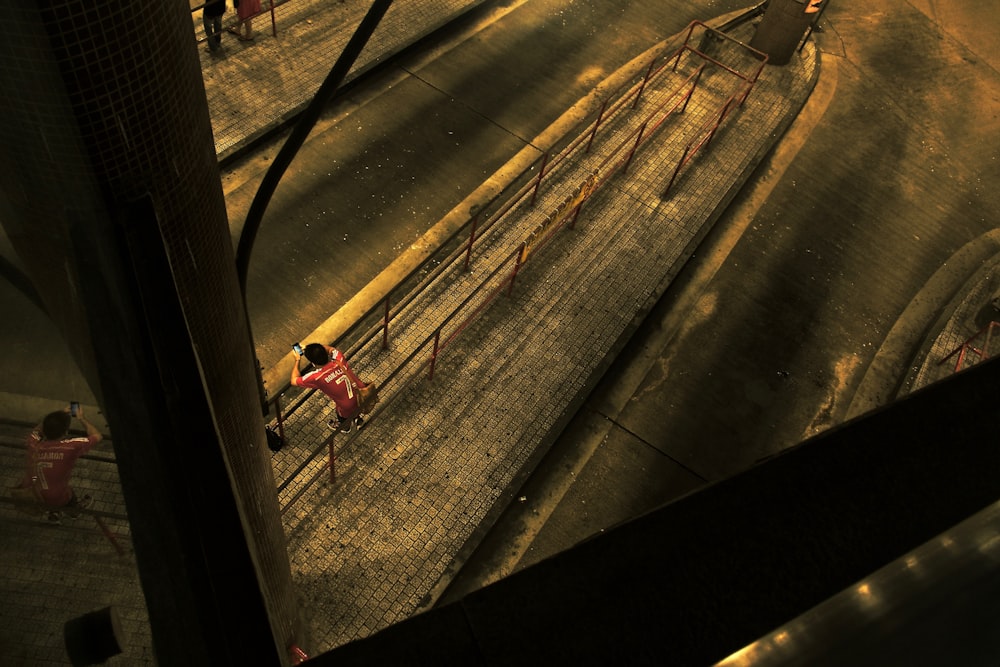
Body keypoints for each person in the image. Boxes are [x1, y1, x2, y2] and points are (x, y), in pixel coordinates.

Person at [15, 405, 103, 522]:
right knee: (67, 494)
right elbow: (97, 436)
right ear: (65, 432)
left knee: (49, 488)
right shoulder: (69, 447)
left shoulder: (33, 444)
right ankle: (74, 512)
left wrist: (58, 416)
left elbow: (36, 431)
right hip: (58, 497)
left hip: (34, 493)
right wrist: (81, 418)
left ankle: (54, 513)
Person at [291, 343, 369, 433]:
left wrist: (297, 360)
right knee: (353, 402)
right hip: (362, 393)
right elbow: (331, 349)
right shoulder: (339, 359)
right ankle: (357, 418)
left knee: (341, 413)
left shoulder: (316, 377)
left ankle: (345, 427)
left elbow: (294, 380)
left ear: (313, 363)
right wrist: (314, 348)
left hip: (347, 406)